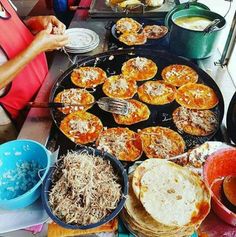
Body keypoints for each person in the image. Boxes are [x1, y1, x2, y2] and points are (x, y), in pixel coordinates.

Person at [0, 0, 69, 143]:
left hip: (39, 93)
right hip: (11, 114)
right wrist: (36, 48)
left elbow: (12, 28)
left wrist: (34, 22)